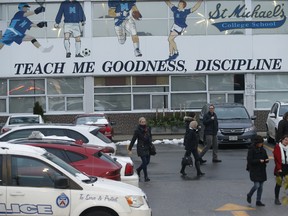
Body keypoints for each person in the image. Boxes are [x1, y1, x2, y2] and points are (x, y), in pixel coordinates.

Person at [246, 135, 269, 207]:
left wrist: (266, 160)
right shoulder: (251, 150)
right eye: (259, 143)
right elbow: (250, 160)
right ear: (256, 143)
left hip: (262, 169)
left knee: (261, 186)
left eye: (261, 143)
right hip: (254, 170)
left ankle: (258, 200)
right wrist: (259, 161)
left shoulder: (263, 150)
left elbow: (266, 157)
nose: (261, 144)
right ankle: (249, 194)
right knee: (256, 185)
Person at [128, 117, 152, 182]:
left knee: (147, 162)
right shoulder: (137, 130)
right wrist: (130, 148)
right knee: (144, 162)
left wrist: (151, 143)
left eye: (144, 122)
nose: (143, 123)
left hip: (147, 147)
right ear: (139, 122)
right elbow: (133, 139)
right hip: (141, 147)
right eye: (142, 122)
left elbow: (150, 136)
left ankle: (138, 170)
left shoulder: (148, 128)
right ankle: (146, 177)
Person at [273, 134, 288, 205]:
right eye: (285, 140)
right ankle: (276, 198)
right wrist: (279, 168)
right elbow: (277, 160)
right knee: (278, 184)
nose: (286, 141)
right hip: (280, 167)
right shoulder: (277, 147)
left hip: (287, 166)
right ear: (282, 140)